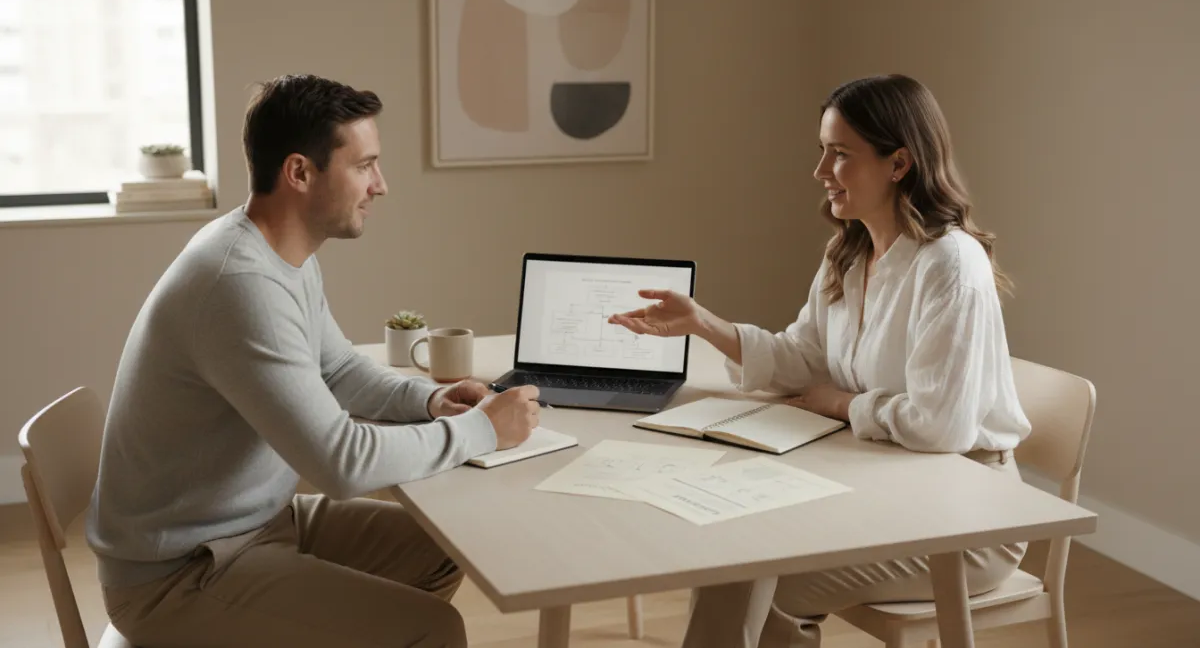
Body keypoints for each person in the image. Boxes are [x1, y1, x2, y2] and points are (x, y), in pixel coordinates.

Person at [86, 73, 542, 648]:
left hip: (254, 525)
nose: (381, 184)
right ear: (300, 172)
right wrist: (479, 431)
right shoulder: (238, 284)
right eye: (364, 165)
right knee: (433, 630)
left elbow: (338, 369)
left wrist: (430, 401)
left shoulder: (279, 253)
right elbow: (341, 464)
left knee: (444, 551)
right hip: (181, 574)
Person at [608, 74, 1032, 648]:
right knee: (731, 556)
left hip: (966, 516)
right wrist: (703, 324)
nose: (820, 171)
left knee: (759, 580)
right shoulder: (850, 250)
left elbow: (943, 427)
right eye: (822, 151)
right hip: (884, 483)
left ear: (899, 163)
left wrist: (845, 403)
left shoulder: (949, 265)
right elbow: (803, 360)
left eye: (840, 155)